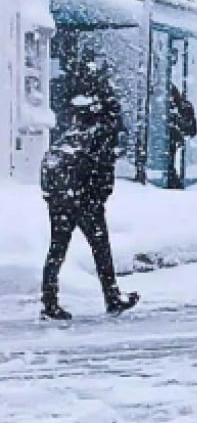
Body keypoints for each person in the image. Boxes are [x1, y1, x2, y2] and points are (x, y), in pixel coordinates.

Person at [39, 60, 139, 320]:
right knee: (100, 248)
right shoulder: (102, 131)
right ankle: (112, 296)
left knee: (57, 247)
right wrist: (98, 195)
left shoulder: (76, 129)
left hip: (62, 196)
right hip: (85, 199)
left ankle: (50, 301)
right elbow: (100, 168)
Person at [165, 83, 197, 189]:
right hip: (171, 142)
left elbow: (192, 130)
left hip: (169, 142)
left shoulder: (180, 107)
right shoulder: (183, 106)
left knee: (169, 162)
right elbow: (193, 131)